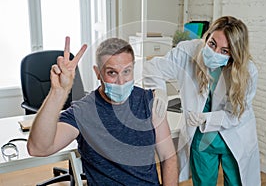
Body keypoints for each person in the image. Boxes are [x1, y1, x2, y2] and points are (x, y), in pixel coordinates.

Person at [27, 37, 178, 185]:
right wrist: (58, 92)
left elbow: (168, 156)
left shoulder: (149, 101)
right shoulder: (83, 112)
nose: (121, 81)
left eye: (127, 71)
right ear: (98, 72)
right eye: (112, 73)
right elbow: (38, 148)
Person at [143, 16, 261, 186]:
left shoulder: (247, 72)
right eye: (212, 43)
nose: (214, 52)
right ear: (208, 35)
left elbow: (236, 115)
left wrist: (208, 118)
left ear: (235, 54)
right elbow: (153, 67)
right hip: (202, 137)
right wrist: (159, 89)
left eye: (225, 51)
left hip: (235, 135)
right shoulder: (188, 51)